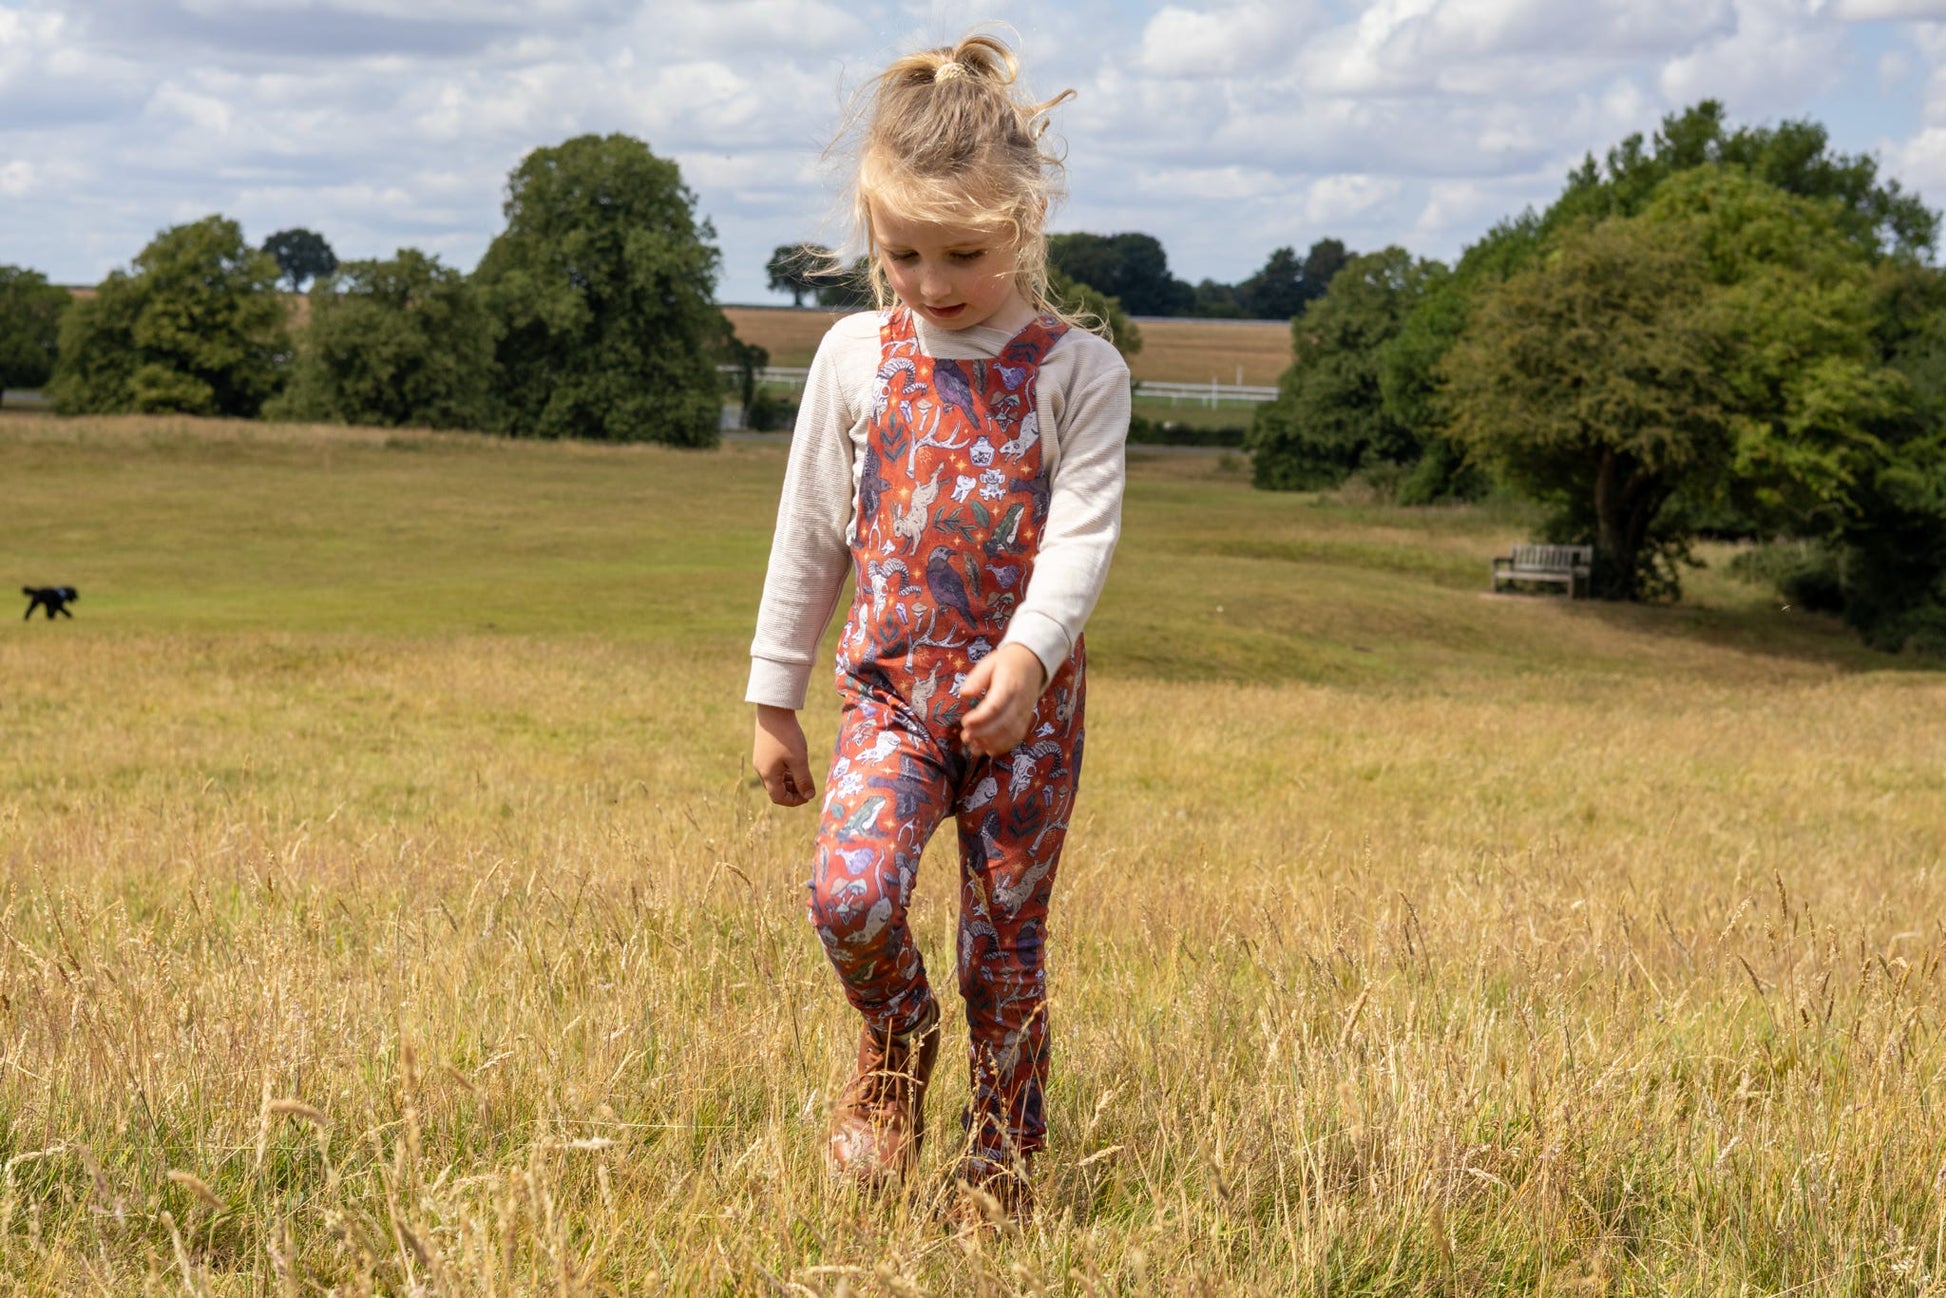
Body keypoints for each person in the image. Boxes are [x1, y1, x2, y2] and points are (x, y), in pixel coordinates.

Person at [745, 31, 1129, 1223]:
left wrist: (1026, 656)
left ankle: (1001, 1161)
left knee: (1002, 950)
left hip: (1028, 715)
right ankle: (896, 1046)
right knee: (848, 896)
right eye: (899, 251)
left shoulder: (1080, 372)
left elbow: (1080, 536)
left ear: (1025, 220)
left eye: (960, 252)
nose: (927, 279)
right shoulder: (854, 356)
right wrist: (772, 696)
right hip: (888, 701)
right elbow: (809, 529)